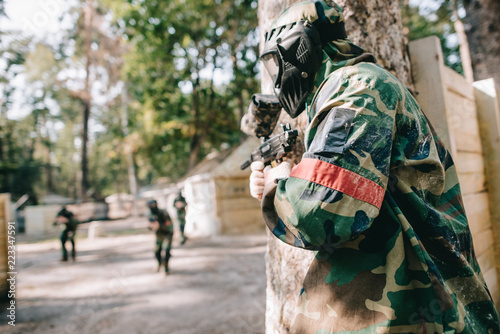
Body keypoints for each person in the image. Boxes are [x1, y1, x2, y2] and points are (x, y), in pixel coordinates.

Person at [248, 1, 500, 333]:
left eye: (276, 61)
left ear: (300, 48)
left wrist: (278, 184)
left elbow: (318, 213)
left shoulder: (358, 88)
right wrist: (281, 180)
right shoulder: (346, 90)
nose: (277, 75)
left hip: (415, 305)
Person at [147, 199, 174, 274]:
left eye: (152, 205)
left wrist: (160, 225)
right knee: (157, 252)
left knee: (166, 251)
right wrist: (151, 226)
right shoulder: (151, 215)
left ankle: (165, 267)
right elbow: (150, 225)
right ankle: (159, 264)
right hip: (159, 235)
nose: (151, 207)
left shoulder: (163, 213)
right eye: (150, 206)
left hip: (167, 234)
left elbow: (169, 224)